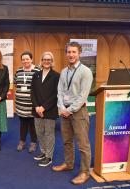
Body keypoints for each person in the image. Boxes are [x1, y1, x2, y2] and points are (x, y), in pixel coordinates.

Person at [52, 41, 93, 185]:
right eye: (69, 52)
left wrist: (69, 110)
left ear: (79, 53)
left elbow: (83, 96)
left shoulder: (85, 71)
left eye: (74, 52)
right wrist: (62, 107)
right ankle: (68, 164)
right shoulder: (64, 71)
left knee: (83, 144)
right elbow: (60, 91)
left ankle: (85, 172)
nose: (71, 54)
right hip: (64, 112)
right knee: (67, 140)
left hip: (78, 112)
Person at [31, 52, 59, 167]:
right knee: (39, 132)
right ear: (41, 61)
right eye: (44, 59)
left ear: (52, 61)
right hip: (37, 110)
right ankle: (43, 151)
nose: (46, 61)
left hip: (50, 110)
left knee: (49, 133)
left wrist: (44, 107)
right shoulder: (36, 75)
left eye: (49, 59)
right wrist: (37, 107)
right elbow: (32, 92)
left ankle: (49, 156)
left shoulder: (56, 75)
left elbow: (56, 94)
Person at [14, 51, 40, 153]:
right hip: (21, 103)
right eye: (23, 59)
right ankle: (22, 141)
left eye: (27, 59)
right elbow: (16, 84)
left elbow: (40, 87)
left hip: (32, 104)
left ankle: (33, 142)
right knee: (22, 123)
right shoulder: (19, 71)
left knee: (32, 124)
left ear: (31, 59)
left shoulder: (37, 70)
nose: (25, 61)